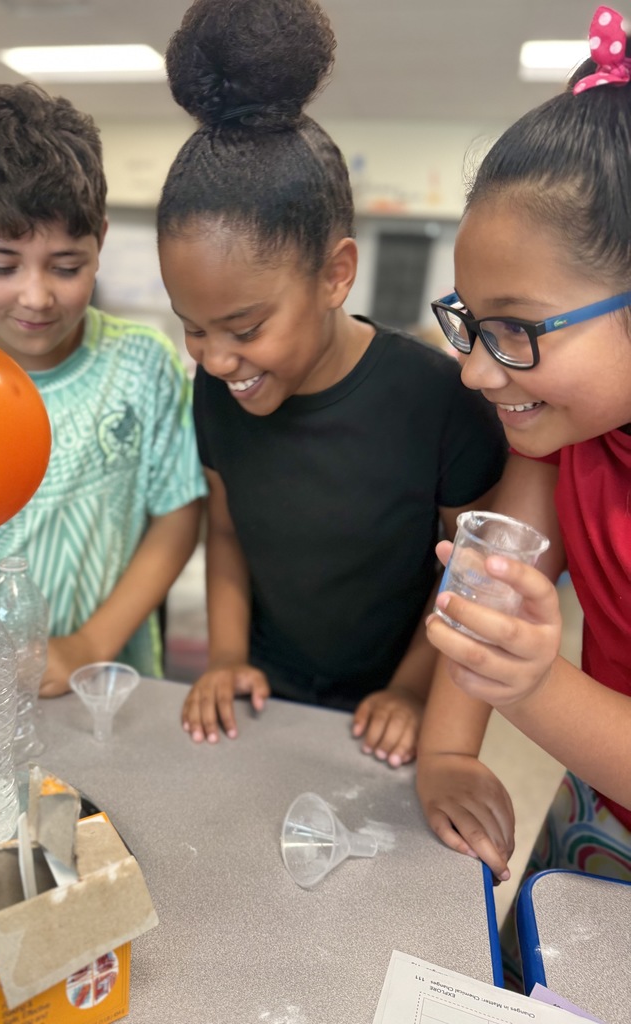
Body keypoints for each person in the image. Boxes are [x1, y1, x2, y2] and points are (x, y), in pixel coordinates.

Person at [156, 0, 507, 756]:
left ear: (336, 274)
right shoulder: (216, 389)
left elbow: (471, 573)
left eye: (246, 329)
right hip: (267, 698)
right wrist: (224, 656)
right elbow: (225, 527)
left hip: (397, 702)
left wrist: (414, 688)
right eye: (193, 327)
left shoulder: (438, 399)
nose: (216, 360)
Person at [0, 82, 206, 796]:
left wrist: (90, 644)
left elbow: (177, 514)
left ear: (101, 239)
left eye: (67, 264)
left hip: (106, 683)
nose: (36, 295)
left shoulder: (140, 364)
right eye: (1, 264)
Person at [416, 2, 631, 984]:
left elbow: (523, 667)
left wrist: (535, 684)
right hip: (598, 810)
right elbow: (493, 578)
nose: (474, 371)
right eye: (470, 324)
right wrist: (450, 753)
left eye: (517, 330)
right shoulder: (562, 438)